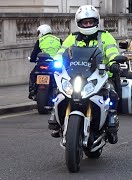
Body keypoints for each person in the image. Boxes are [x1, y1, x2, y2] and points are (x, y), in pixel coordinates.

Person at [48, 5, 121, 144]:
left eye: (90, 22)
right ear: (79, 23)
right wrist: (55, 62)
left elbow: (112, 52)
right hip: (75, 75)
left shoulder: (105, 36)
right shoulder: (72, 38)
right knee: (58, 92)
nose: (88, 25)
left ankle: (111, 123)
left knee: (111, 93)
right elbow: (61, 52)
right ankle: (57, 121)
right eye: (84, 22)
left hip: (99, 75)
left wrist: (113, 63)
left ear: (96, 22)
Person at [28, 24, 62, 99]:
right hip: (55, 64)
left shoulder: (40, 41)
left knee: (32, 74)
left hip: (42, 63)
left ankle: (32, 90)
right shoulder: (58, 40)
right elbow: (64, 51)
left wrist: (32, 59)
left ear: (42, 32)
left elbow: (34, 54)